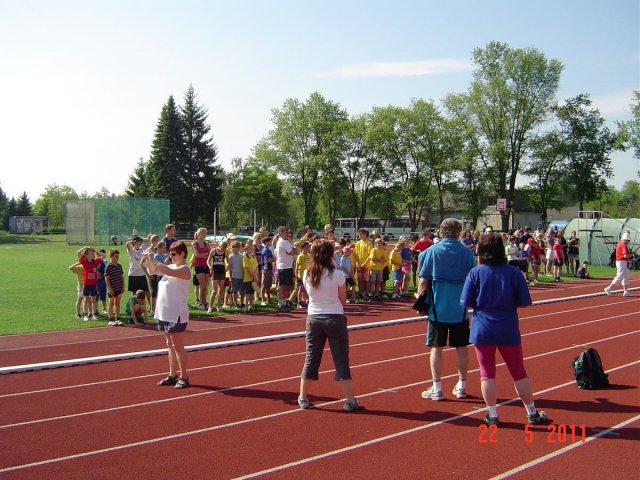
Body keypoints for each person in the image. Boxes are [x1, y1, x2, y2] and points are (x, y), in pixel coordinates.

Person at [460, 233, 549, 426]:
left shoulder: (475, 273)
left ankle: (492, 415)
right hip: (507, 326)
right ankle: (531, 412)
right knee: (519, 372)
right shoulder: (514, 273)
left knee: (486, 373)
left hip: (483, 328)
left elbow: (465, 302)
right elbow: (524, 302)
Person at [298, 240, 361, 412]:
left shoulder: (307, 273)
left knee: (311, 357)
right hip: (334, 317)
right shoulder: (338, 275)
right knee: (341, 358)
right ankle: (349, 400)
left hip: (313, 318)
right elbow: (342, 299)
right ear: (330, 255)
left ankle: (303, 397)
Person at [417, 218, 475, 401]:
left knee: (436, 348)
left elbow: (423, 282)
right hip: (460, 309)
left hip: (437, 308)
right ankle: (462, 386)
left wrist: (420, 304)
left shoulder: (429, 253)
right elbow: (472, 281)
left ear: (441, 231)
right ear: (459, 233)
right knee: (462, 348)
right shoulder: (467, 254)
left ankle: (437, 387)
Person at [144, 241, 192, 389]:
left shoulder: (184, 269)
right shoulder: (169, 266)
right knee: (170, 346)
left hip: (176, 312)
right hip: (164, 312)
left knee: (178, 346)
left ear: (182, 254)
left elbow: (167, 271)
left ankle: (184, 376)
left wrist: (157, 262)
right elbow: (153, 270)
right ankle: (172, 375)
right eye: (169, 254)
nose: (170, 257)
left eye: (173, 254)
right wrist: (149, 259)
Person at [76, 246, 102, 321]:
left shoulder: (95, 262)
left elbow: (103, 255)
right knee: (86, 300)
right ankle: (86, 315)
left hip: (93, 285)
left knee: (93, 300)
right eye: (91, 253)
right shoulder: (84, 262)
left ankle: (93, 315)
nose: (93, 254)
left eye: (93, 253)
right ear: (86, 255)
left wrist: (94, 250)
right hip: (86, 284)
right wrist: (85, 248)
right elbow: (78, 253)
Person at [604, 231, 633, 297]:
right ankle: (609, 288)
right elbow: (625, 256)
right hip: (621, 261)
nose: (628, 242)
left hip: (621, 262)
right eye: (628, 240)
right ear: (626, 239)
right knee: (619, 276)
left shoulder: (619, 244)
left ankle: (625, 291)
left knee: (625, 276)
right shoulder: (623, 245)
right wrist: (632, 254)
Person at [274, 226, 295, 311]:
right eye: (286, 232)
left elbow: (293, 251)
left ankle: (285, 302)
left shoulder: (286, 242)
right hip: (283, 267)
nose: (288, 234)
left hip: (288, 266)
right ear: (281, 233)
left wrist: (293, 250)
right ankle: (281, 303)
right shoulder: (283, 242)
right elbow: (292, 252)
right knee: (283, 286)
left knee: (287, 286)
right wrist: (293, 250)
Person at [126, 235, 150, 307]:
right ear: (134, 242)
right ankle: (134, 308)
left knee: (147, 292)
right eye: (138, 241)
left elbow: (148, 241)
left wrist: (140, 238)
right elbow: (127, 244)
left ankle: (152, 308)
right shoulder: (131, 250)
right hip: (133, 274)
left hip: (142, 274)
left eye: (140, 241)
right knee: (134, 293)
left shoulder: (142, 248)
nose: (139, 242)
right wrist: (133, 240)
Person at [192, 228, 211, 310]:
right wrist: (204, 254)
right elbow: (197, 255)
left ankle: (204, 302)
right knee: (202, 285)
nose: (202, 235)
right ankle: (200, 303)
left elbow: (210, 254)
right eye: (201, 233)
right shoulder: (194, 243)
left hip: (206, 265)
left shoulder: (207, 244)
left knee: (205, 286)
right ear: (197, 234)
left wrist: (203, 254)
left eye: (204, 234)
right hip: (198, 266)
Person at [105, 249, 125, 326]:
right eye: (116, 256)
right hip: (112, 288)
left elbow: (122, 277)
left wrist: (123, 286)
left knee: (117, 303)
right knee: (111, 303)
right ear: (111, 256)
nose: (117, 258)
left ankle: (117, 319)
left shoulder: (119, 266)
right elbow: (106, 278)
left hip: (119, 287)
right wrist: (110, 289)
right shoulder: (108, 266)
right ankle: (110, 319)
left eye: (118, 256)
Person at [207, 241, 228, 312]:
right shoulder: (213, 251)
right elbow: (208, 261)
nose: (224, 248)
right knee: (214, 291)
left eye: (225, 247)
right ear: (219, 245)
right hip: (214, 272)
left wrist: (227, 266)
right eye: (223, 246)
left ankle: (218, 306)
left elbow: (228, 262)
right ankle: (210, 306)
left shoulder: (225, 252)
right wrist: (210, 267)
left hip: (222, 272)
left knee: (221, 289)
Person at [354, 228, 373, 301]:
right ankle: (361, 293)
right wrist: (357, 263)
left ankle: (366, 293)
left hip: (366, 266)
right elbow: (356, 254)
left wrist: (364, 263)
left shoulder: (369, 243)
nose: (359, 235)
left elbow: (370, 255)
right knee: (360, 280)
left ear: (365, 234)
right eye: (358, 234)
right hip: (359, 265)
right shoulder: (358, 243)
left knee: (366, 280)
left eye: (360, 234)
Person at [242, 243, 259, 312]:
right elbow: (247, 269)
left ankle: (251, 305)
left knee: (252, 292)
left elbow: (256, 267)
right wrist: (253, 276)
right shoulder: (245, 257)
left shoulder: (253, 257)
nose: (252, 250)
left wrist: (255, 275)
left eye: (253, 249)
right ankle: (246, 306)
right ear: (247, 249)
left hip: (253, 278)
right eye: (251, 249)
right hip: (247, 278)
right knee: (247, 293)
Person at [260, 236, 275, 306]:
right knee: (264, 285)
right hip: (266, 269)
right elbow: (268, 260)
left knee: (268, 285)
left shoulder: (267, 250)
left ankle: (268, 299)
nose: (271, 242)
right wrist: (272, 259)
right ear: (266, 242)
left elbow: (272, 259)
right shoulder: (265, 250)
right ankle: (262, 299)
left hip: (268, 269)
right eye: (269, 241)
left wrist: (272, 259)